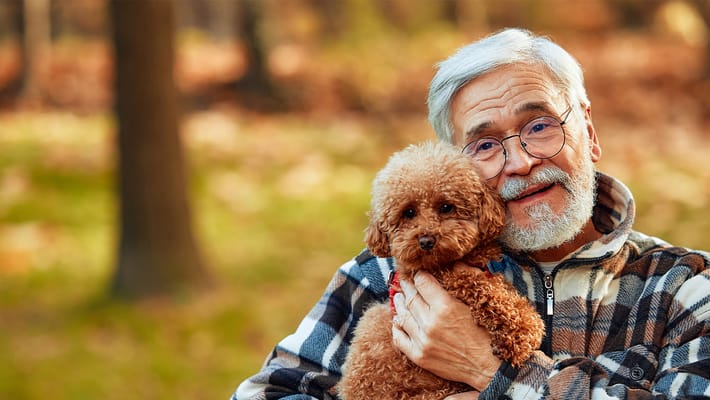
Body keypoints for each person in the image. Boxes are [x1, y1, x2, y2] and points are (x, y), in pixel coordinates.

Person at [232, 28, 710, 399]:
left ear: (588, 129)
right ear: (457, 166)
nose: (520, 162)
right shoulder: (385, 275)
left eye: (540, 126)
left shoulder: (685, 287)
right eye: (484, 144)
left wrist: (492, 371)